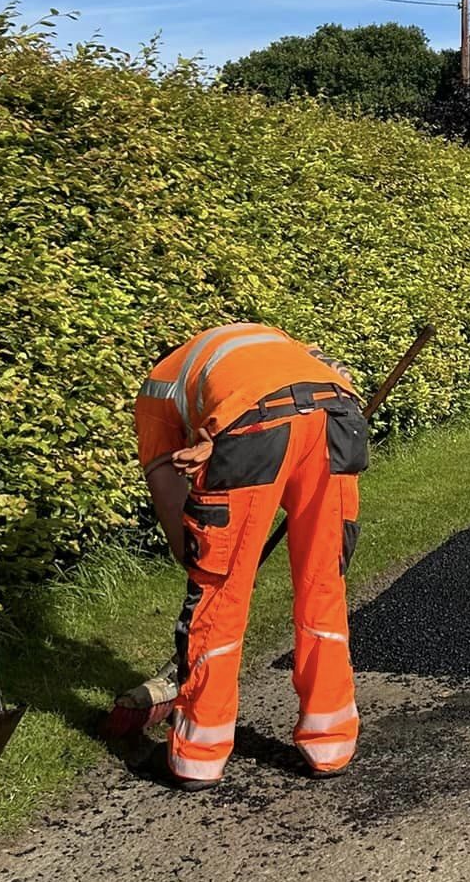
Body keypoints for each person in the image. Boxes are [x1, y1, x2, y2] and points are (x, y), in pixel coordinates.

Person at [134, 324, 368, 790]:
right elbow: (331, 368)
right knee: (323, 582)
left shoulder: (156, 389)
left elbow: (166, 487)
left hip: (254, 426)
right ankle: (330, 744)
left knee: (219, 594)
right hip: (338, 414)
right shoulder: (264, 341)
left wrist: (199, 560)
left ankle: (197, 756)